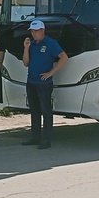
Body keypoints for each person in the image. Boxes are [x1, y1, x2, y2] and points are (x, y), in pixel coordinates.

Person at [22, 19, 68, 149]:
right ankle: (35, 137)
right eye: (32, 31)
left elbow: (64, 58)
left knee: (46, 111)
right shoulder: (31, 44)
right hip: (31, 81)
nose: (33, 33)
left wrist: (51, 72)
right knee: (34, 110)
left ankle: (46, 140)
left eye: (36, 31)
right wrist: (26, 48)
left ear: (43, 31)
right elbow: (26, 63)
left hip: (44, 83)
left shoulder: (50, 43)